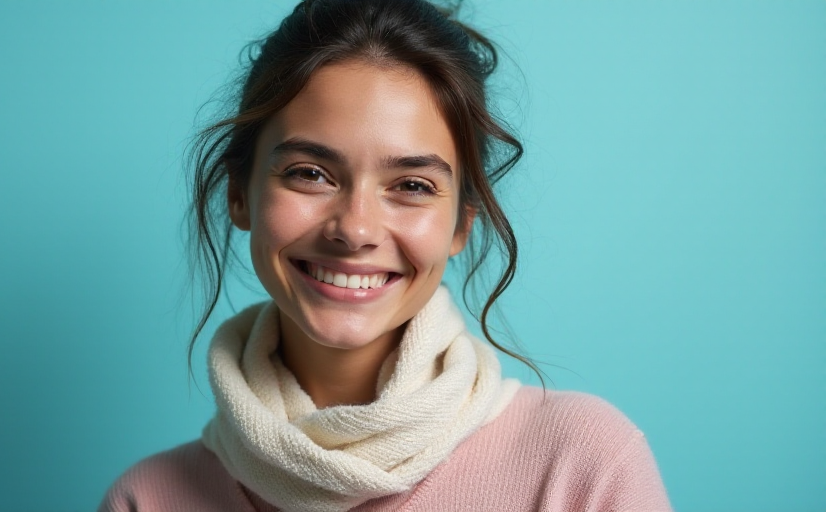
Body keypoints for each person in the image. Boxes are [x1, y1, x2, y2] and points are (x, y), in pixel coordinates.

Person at [99, 0, 672, 510]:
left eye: (413, 186)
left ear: (459, 226)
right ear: (238, 195)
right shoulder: (148, 498)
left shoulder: (582, 467)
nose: (355, 229)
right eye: (310, 174)